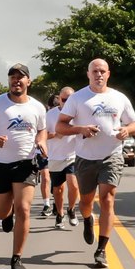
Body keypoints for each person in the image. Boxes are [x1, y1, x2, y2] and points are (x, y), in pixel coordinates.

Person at [56, 58, 135, 268]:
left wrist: (126, 130)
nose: (99, 75)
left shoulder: (119, 98)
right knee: (86, 202)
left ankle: (101, 250)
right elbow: (60, 127)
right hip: (85, 158)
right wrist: (81, 129)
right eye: (95, 71)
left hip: (112, 155)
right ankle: (86, 220)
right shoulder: (77, 98)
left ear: (108, 74)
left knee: (107, 199)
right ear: (88, 74)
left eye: (102, 71)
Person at [0, 63, 47, 269]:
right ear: (8, 81)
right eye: (12, 77)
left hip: (26, 163)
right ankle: (6, 218)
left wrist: (42, 142)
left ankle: (16, 257)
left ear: (28, 81)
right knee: (2, 210)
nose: (16, 80)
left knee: (23, 209)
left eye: (20, 77)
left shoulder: (37, 107)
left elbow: (42, 131)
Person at [46, 87, 80, 229]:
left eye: (70, 99)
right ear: (59, 99)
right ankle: (60, 214)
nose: (66, 102)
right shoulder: (50, 115)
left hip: (73, 155)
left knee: (73, 185)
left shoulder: (78, 114)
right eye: (64, 99)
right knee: (58, 189)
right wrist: (56, 134)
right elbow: (42, 135)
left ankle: (71, 210)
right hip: (55, 156)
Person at [38, 95, 57, 217]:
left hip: (59, 154)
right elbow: (39, 135)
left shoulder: (66, 115)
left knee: (57, 181)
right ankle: (46, 204)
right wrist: (52, 135)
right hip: (45, 152)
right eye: (54, 104)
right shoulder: (44, 118)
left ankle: (56, 202)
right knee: (45, 177)